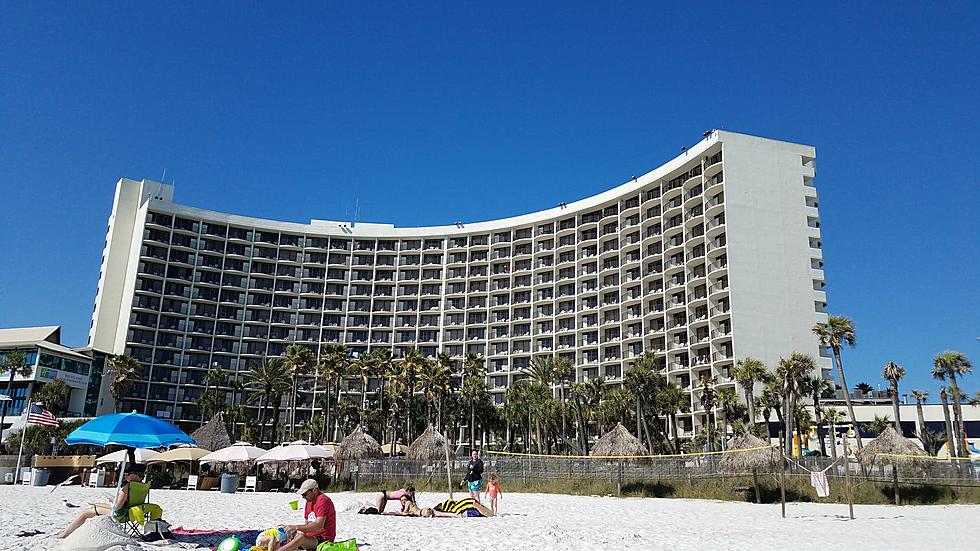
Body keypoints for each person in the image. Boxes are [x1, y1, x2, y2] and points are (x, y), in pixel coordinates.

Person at [56, 463, 146, 539]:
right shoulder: (142, 486)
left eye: (128, 474)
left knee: (84, 513)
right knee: (92, 508)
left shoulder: (128, 487)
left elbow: (117, 506)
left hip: (121, 514)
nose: (126, 475)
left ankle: (64, 534)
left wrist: (112, 499)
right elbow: (129, 500)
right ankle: (70, 531)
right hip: (130, 511)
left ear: (135, 474)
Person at [277, 479, 336, 551]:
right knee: (284, 536)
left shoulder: (323, 500)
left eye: (305, 494)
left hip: (323, 539)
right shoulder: (309, 502)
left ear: (314, 490)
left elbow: (319, 526)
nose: (303, 497)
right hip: (310, 538)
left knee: (301, 538)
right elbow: (306, 524)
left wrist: (296, 527)